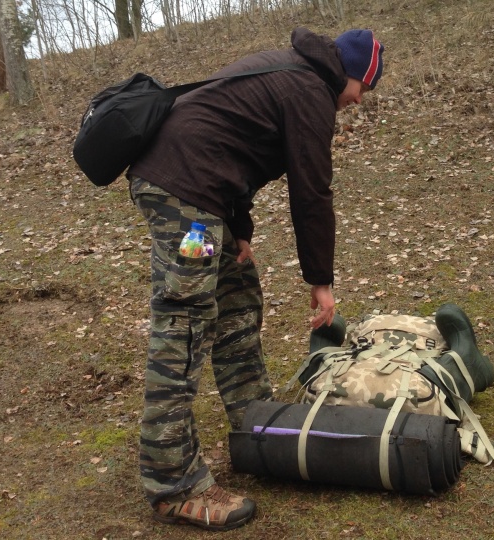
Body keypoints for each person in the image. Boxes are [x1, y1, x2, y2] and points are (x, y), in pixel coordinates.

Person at [125, 27, 385, 531]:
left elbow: (232, 145)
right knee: (185, 324)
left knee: (238, 298)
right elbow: (312, 192)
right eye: (364, 89)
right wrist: (321, 281)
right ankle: (172, 482)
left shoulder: (291, 72)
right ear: (353, 72)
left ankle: (256, 423)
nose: (358, 101)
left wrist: (238, 230)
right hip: (189, 205)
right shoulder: (310, 89)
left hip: (203, 200)